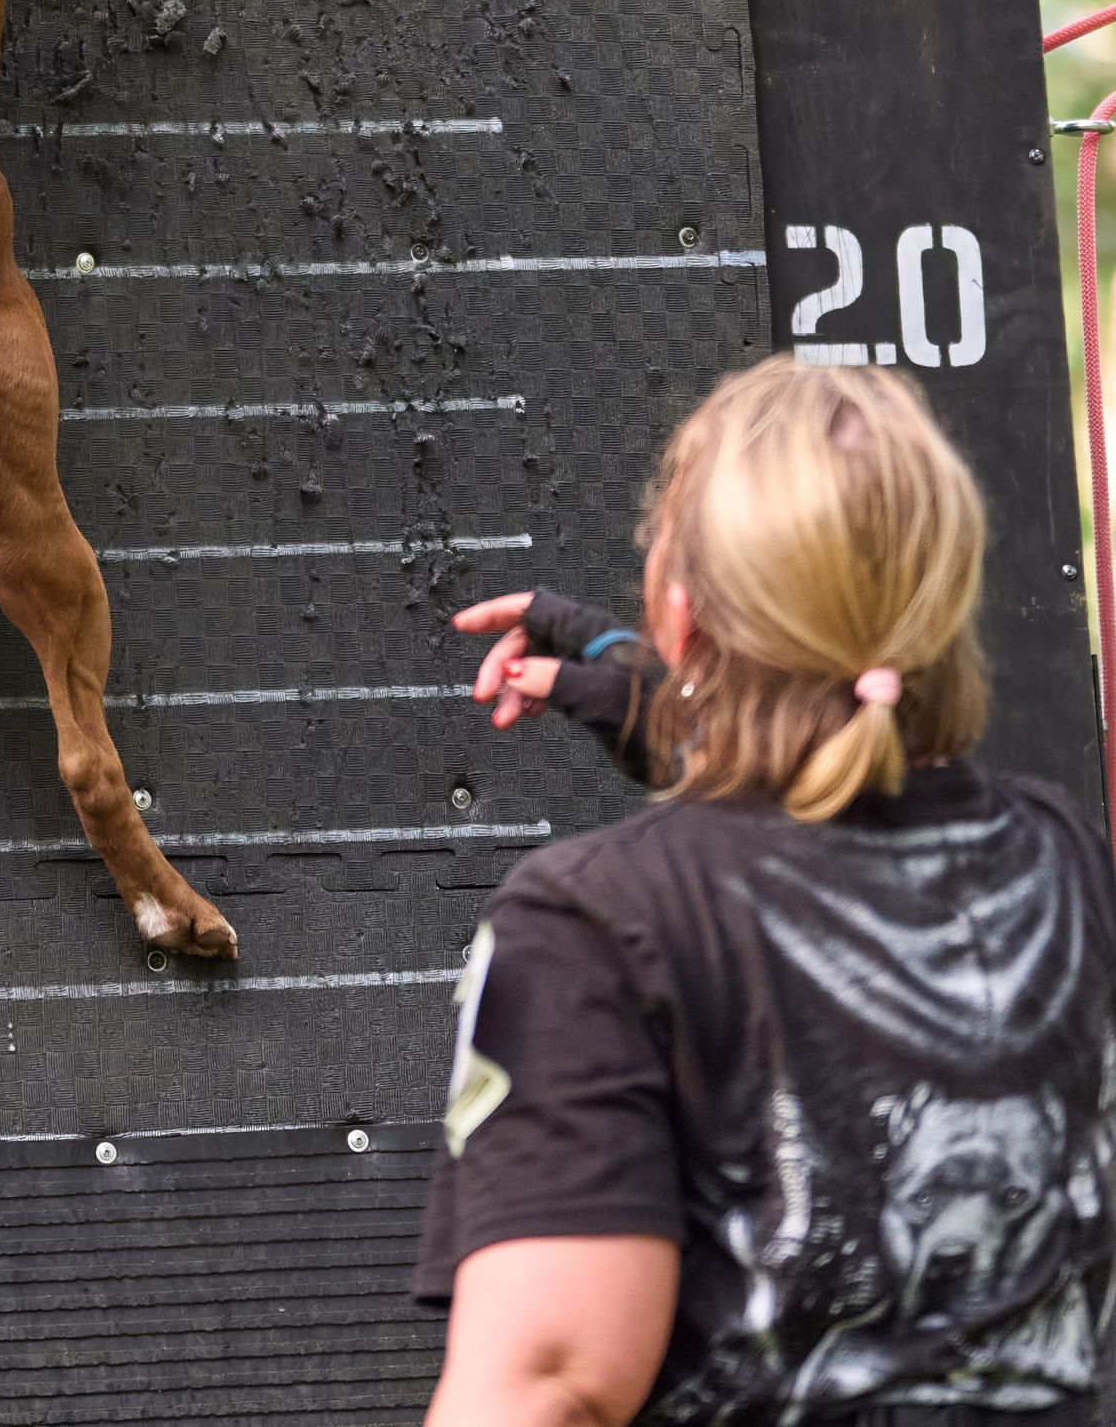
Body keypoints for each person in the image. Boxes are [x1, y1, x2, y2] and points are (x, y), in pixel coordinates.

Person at [418, 357, 1116, 1427]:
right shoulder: (1064, 860)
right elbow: (836, 804)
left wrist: (685, 691)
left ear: (681, 617)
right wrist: (656, 692)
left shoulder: (587, 929)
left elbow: (543, 1388)